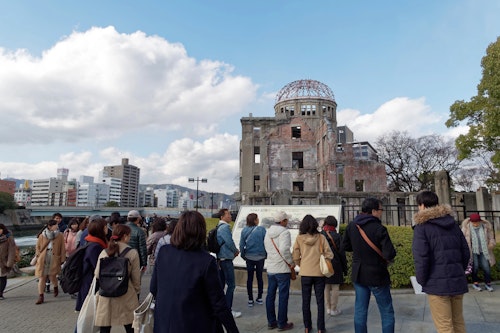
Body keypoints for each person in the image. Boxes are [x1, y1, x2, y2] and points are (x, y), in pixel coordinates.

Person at [150, 210, 239, 333]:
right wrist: (232, 329)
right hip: (194, 323)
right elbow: (218, 303)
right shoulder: (206, 261)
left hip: (164, 323)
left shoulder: (164, 252)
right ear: (201, 231)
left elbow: (153, 288)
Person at [412, 191, 470, 333]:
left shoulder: (422, 227)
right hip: (457, 279)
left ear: (422, 205)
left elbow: (421, 257)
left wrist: (422, 280)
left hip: (436, 283)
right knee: (458, 321)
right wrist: (458, 270)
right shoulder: (452, 223)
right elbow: (465, 251)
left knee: (444, 325)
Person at [342, 197, 397, 333]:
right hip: (377, 274)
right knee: (386, 311)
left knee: (360, 310)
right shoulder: (379, 229)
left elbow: (345, 246)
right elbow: (389, 253)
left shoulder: (352, 226)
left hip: (359, 273)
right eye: (380, 210)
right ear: (373, 211)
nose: (381, 213)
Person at [94, 224, 140, 333]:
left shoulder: (105, 252)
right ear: (124, 236)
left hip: (106, 292)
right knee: (130, 325)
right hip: (126, 292)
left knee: (105, 326)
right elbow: (136, 278)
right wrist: (136, 292)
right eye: (129, 236)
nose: (129, 238)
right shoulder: (132, 253)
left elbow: (96, 274)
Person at [293, 214, 333, 333]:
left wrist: (302, 264)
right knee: (320, 302)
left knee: (306, 301)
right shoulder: (321, 238)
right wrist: (322, 260)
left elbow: (295, 256)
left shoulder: (299, 238)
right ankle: (321, 328)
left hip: (305, 273)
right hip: (319, 273)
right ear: (315, 225)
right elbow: (330, 254)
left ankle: (307, 327)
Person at [264, 211, 295, 331]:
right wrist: (291, 263)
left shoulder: (268, 233)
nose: (287, 222)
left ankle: (271, 321)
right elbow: (284, 249)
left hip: (271, 267)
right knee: (283, 296)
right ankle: (282, 323)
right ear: (282, 221)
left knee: (270, 295)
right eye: (286, 220)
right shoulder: (284, 232)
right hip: (282, 268)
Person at [75, 217, 108, 312]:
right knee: (87, 318)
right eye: (105, 227)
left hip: (88, 283)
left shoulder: (91, 242)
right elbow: (98, 267)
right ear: (100, 229)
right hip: (90, 285)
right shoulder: (95, 246)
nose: (107, 229)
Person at [217, 208, 242, 318]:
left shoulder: (218, 227)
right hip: (226, 259)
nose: (230, 216)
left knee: (221, 285)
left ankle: (220, 308)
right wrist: (235, 251)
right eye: (228, 214)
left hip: (220, 259)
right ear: (222, 217)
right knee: (231, 285)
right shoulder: (225, 228)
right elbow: (229, 242)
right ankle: (228, 310)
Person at [461, 213, 496, 292]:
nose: (475, 224)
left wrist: (491, 244)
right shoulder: (466, 227)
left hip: (484, 250)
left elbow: (491, 238)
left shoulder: (485, 226)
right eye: (474, 222)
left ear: (480, 221)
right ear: (470, 221)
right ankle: (475, 283)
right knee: (475, 266)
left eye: (477, 222)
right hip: (472, 251)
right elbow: (461, 239)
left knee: (486, 266)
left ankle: (488, 283)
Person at [321, 215, 348, 316]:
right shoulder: (337, 236)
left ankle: (328, 308)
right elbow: (342, 253)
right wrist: (345, 268)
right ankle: (333, 308)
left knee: (326, 286)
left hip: (324, 264)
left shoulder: (321, 235)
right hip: (336, 264)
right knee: (335, 287)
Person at [34, 219, 66, 304]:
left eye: (57, 225)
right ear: (50, 226)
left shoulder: (60, 235)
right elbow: (37, 247)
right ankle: (41, 296)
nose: (57, 226)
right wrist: (38, 255)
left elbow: (63, 248)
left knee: (52, 276)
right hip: (43, 257)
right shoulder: (42, 235)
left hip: (54, 256)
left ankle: (55, 286)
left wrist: (62, 259)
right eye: (55, 225)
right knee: (42, 276)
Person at [239, 213, 267, 307]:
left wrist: (243, 255)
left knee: (249, 279)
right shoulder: (262, 230)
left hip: (249, 257)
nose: (258, 220)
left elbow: (241, 245)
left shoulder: (244, 230)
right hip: (260, 257)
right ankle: (259, 297)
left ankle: (250, 299)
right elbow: (266, 243)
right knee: (260, 278)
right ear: (255, 220)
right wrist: (265, 254)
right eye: (257, 218)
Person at [0, 224, 17, 300]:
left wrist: (9, 262)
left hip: (4, 262)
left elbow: (11, 251)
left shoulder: (9, 238)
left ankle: (0, 293)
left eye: (0, 229)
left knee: (2, 278)